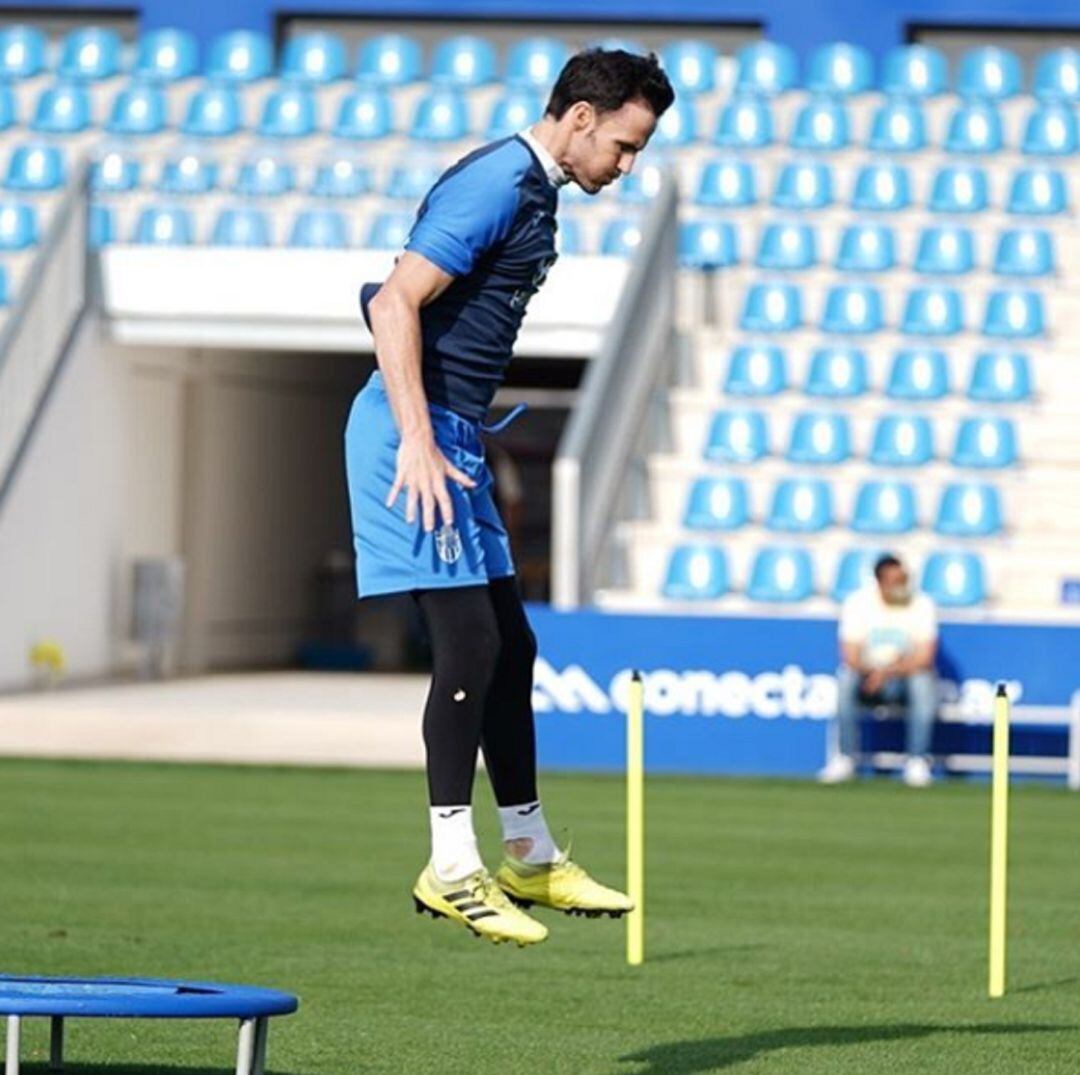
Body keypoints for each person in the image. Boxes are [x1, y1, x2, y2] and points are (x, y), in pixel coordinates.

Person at [343, 49, 675, 946]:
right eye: (625, 144)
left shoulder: (536, 190)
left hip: (452, 435)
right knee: (472, 641)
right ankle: (452, 867)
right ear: (578, 118)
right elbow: (392, 304)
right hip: (411, 437)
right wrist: (417, 437)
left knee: (513, 646)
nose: (627, 165)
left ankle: (526, 850)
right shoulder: (497, 182)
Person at [819, 554, 939, 788]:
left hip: (903, 678)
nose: (901, 585)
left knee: (923, 682)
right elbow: (851, 656)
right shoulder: (858, 603)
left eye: (904, 579)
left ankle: (917, 760)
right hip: (867, 677)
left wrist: (886, 672)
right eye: (895, 580)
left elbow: (924, 657)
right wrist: (875, 672)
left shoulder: (921, 603)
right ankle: (845, 757)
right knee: (845, 679)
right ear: (880, 581)